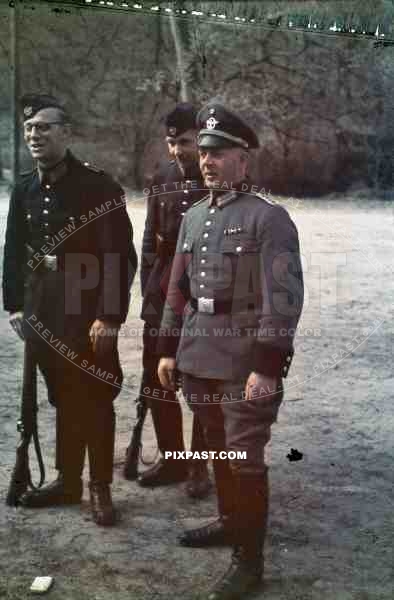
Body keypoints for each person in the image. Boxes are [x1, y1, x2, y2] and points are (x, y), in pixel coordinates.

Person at [158, 103, 304, 599]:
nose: (208, 160)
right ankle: (228, 521)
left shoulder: (270, 218)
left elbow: (283, 300)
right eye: (203, 152)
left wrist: (267, 367)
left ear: (245, 159)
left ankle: (249, 561)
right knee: (215, 442)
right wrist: (167, 349)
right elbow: (176, 290)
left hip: (243, 361)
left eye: (220, 152)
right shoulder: (195, 215)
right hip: (198, 353)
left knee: (244, 457)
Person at [3, 94, 137, 526]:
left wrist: (110, 316)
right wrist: (15, 305)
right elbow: (12, 250)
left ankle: (99, 487)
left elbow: (120, 255)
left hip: (87, 308)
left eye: (43, 127)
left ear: (66, 132)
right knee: (62, 395)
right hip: (43, 308)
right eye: (29, 130)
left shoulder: (99, 186)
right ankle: (67, 481)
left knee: (95, 395)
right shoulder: (24, 187)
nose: (34, 135)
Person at [129, 103, 211, 498]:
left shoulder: (218, 179)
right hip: (163, 296)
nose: (178, 150)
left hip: (202, 301)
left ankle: (199, 466)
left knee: (200, 383)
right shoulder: (162, 176)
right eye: (172, 142)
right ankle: (173, 458)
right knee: (156, 379)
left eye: (186, 142)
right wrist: (150, 289)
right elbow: (149, 239)